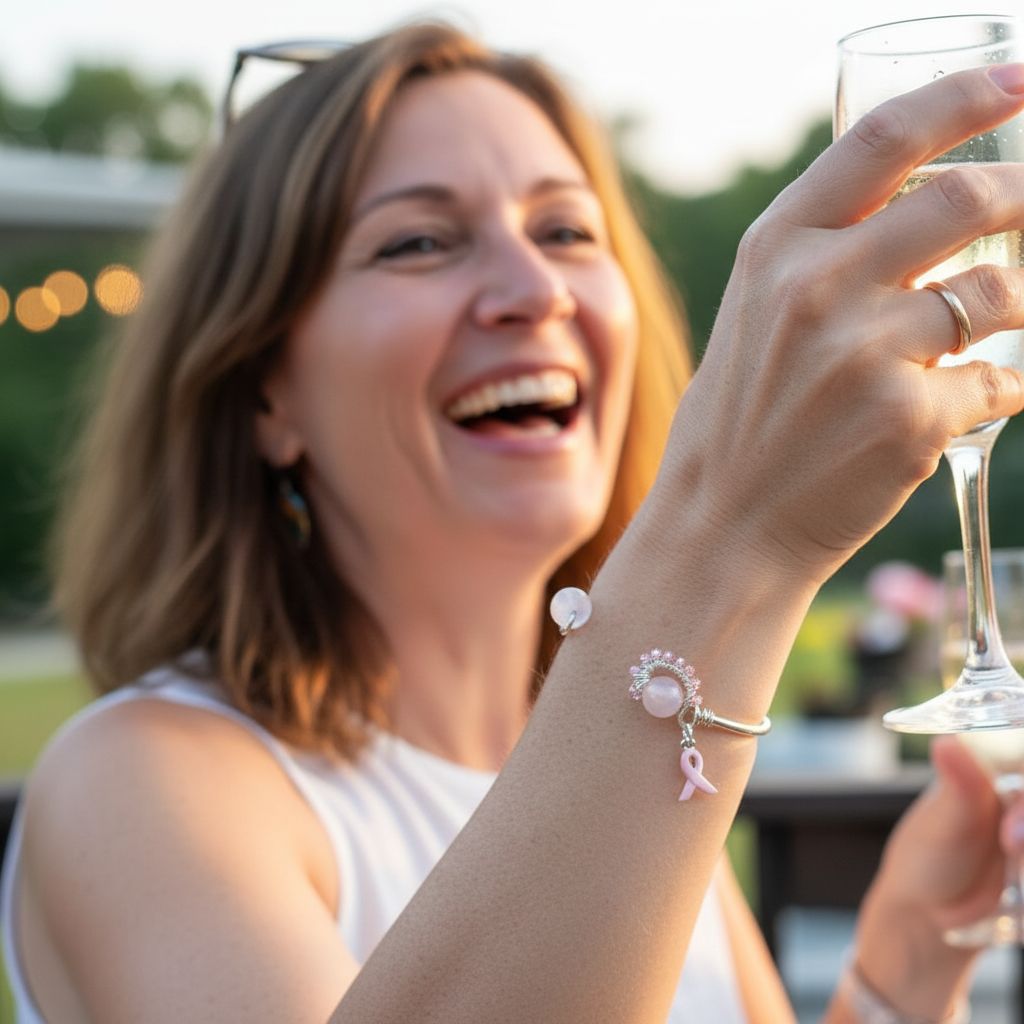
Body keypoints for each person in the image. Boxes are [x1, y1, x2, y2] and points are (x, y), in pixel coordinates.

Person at [3, 20, 1024, 1023]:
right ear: (265, 388)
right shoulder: (142, 781)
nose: (533, 291)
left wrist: (902, 967)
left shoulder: (641, 748)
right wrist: (728, 533)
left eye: (566, 231)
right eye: (418, 241)